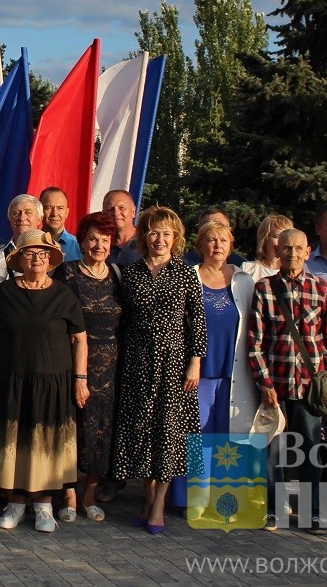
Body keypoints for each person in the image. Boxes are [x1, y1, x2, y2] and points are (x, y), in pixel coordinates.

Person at [0, 230, 87, 533]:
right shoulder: (4, 291)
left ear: (50, 259)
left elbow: (80, 339)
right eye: (30, 253)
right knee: (14, 441)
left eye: (43, 254)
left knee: (46, 444)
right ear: (19, 259)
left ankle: (44, 506)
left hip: (52, 381)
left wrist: (80, 379)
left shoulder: (64, 294)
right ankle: (14, 503)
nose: (37, 259)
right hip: (11, 379)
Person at [110, 207, 207, 535]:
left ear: (176, 238)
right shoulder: (131, 273)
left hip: (174, 364)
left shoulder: (186, 273)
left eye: (166, 233)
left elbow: (197, 320)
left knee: (168, 431)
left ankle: (159, 504)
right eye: (153, 232)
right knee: (140, 430)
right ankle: (147, 497)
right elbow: (120, 318)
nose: (160, 239)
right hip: (137, 361)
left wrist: (195, 361)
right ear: (143, 236)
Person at [248, 228, 327, 535]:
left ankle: (313, 512)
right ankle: (273, 510)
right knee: (273, 453)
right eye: (286, 248)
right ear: (278, 251)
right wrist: (264, 384)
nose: (292, 254)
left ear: (307, 251)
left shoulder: (322, 288)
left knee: (313, 450)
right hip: (275, 384)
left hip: (310, 386)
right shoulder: (264, 288)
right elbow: (255, 342)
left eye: (298, 248)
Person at [167, 219, 257, 515]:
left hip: (234, 373)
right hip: (198, 373)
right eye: (210, 240)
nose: (217, 246)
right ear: (200, 246)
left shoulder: (244, 280)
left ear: (231, 246)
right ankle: (191, 498)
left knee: (229, 437)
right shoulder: (187, 276)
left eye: (223, 240)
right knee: (196, 435)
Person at [53, 212, 123, 521]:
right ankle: (68, 496)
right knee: (71, 430)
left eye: (104, 240)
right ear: (81, 241)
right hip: (72, 364)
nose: (98, 245)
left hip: (110, 369)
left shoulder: (117, 276)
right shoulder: (66, 274)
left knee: (100, 432)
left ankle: (90, 495)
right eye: (92, 238)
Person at [0, 194, 42, 301]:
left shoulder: (48, 257)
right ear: (9, 219)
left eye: (28, 212)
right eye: (15, 213)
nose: (22, 218)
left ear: (40, 219)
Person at [182, 208, 247, 266]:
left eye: (220, 225)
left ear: (229, 231)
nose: (214, 229)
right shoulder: (184, 264)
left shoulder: (242, 266)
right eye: (207, 227)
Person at [240, 214, 294, 283]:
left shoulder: (295, 271)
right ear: (265, 238)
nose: (281, 242)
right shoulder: (248, 269)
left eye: (285, 238)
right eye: (276, 237)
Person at [39, 187, 81, 262]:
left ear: (67, 213)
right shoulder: (29, 245)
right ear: (40, 211)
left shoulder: (79, 247)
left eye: (60, 208)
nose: (54, 213)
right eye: (48, 207)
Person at [102, 190, 141, 266]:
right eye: (111, 209)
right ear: (103, 214)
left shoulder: (147, 242)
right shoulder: (100, 245)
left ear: (133, 212)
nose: (116, 213)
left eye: (122, 208)